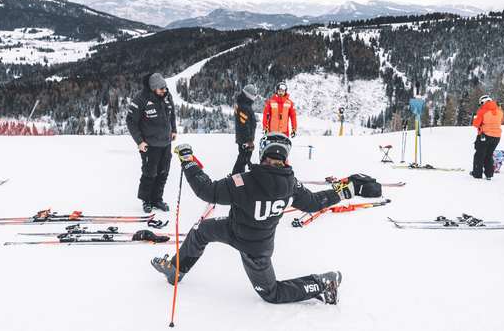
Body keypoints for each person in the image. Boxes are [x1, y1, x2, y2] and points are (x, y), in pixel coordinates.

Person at [151, 132, 357, 304]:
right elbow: (313, 202)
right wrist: (340, 193)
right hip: (247, 238)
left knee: (271, 294)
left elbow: (207, 191)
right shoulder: (291, 184)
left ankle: (323, 283)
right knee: (202, 230)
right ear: (285, 158)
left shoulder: (244, 181)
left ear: (262, 154)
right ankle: (176, 270)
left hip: (252, 248)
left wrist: (188, 162)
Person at [126, 72, 177, 213]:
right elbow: (131, 121)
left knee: (163, 172)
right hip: (149, 145)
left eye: (165, 88)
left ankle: (157, 199)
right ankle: (146, 200)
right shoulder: (141, 99)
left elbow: (172, 113)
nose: (164, 91)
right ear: (153, 88)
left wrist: (174, 130)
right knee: (150, 173)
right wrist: (139, 141)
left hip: (166, 143)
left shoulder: (166, 96)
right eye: (161, 89)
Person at [470, 94, 504, 180]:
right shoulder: (500, 110)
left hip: (484, 136)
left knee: (479, 155)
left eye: (480, 104)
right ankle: (489, 174)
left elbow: (475, 124)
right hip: (497, 137)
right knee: (489, 155)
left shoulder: (482, 110)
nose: (480, 105)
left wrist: (475, 117)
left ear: (483, 102)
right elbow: (501, 121)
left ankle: (477, 174)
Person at [232, 84, 258, 174]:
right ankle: (235, 177)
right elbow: (244, 125)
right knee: (243, 158)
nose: (255, 97)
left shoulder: (244, 104)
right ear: (249, 94)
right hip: (244, 139)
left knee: (243, 158)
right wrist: (248, 140)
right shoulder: (244, 106)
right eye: (254, 95)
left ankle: (239, 177)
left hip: (244, 138)